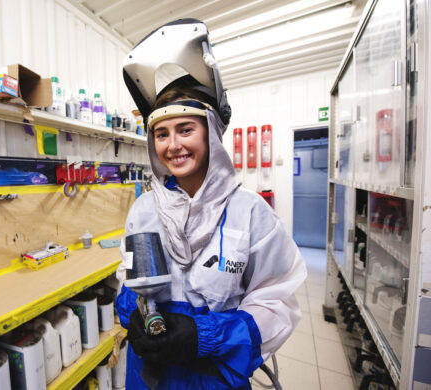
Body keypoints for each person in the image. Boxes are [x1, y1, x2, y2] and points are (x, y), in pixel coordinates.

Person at [115, 19, 307, 389]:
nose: (173, 145)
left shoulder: (250, 213)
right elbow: (129, 281)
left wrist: (203, 335)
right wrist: (132, 315)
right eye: (161, 134)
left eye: (186, 129)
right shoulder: (144, 210)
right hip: (149, 377)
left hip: (212, 378)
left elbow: (278, 305)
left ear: (212, 133)